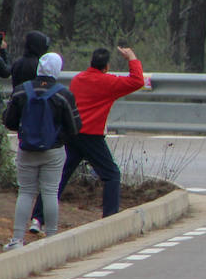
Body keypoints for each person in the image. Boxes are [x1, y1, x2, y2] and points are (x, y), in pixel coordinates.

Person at [50, 45, 144, 219]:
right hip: (92, 135)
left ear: (91, 62)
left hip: (73, 133)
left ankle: (38, 216)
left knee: (61, 175)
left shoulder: (78, 79)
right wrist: (132, 58)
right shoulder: (109, 83)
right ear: (106, 67)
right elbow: (138, 81)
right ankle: (110, 218)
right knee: (111, 175)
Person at [1, 53, 81, 250]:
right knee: (50, 193)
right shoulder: (63, 94)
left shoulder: (21, 91)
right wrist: (58, 139)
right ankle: (52, 238)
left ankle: (17, 239)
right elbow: (74, 127)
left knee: (26, 192)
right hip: (53, 151)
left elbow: (9, 121)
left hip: (26, 149)